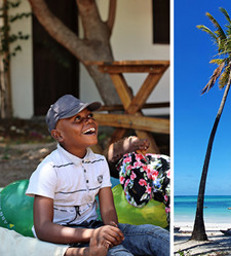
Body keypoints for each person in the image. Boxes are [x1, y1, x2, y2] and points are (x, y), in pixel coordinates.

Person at [26, 95, 169, 256]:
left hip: (96, 227)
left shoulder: (99, 162)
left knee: (154, 236)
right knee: (120, 254)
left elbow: (107, 209)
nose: (88, 121)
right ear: (58, 135)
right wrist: (93, 235)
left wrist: (112, 230)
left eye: (89, 116)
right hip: (64, 238)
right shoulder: (49, 168)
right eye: (78, 118)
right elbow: (42, 227)